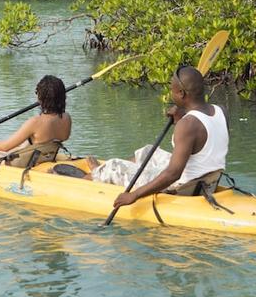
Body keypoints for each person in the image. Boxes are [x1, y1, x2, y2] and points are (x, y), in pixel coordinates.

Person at [87, 65, 229, 208]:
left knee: (113, 166)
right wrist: (182, 118)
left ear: (181, 93)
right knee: (148, 152)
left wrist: (133, 195)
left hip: (183, 187)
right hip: (208, 181)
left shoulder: (188, 125)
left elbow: (173, 174)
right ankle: (110, 172)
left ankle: (98, 173)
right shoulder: (221, 111)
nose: (170, 93)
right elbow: (202, 140)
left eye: (172, 89)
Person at [0, 75, 72, 168]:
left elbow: (4, 147)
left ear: (40, 97)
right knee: (22, 146)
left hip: (22, 163)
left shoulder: (35, 122)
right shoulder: (66, 118)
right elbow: (59, 138)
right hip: (43, 157)